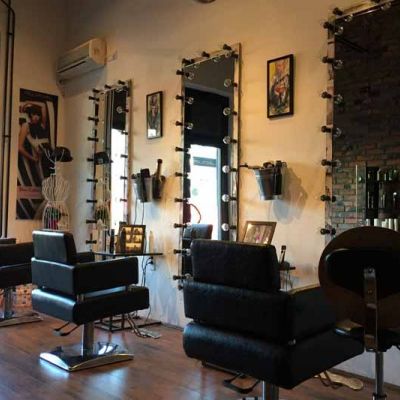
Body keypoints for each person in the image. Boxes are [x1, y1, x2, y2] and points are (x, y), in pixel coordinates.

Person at [18, 101, 51, 181]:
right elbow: (19, 147)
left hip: (51, 154)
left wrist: (28, 102)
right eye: (33, 114)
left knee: (52, 181)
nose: (36, 117)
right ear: (30, 114)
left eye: (38, 115)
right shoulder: (26, 125)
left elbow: (43, 105)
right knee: (45, 181)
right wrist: (33, 158)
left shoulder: (42, 124)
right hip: (41, 155)